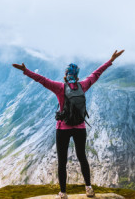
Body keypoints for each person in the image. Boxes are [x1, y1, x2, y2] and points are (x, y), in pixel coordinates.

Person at [12, 50, 124, 199]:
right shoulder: (83, 85)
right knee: (82, 157)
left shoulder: (59, 87)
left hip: (63, 128)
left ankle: (63, 193)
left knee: (62, 161)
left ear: (66, 76)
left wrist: (25, 71)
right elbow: (97, 73)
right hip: (80, 127)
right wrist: (111, 60)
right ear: (77, 76)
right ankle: (89, 188)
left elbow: (41, 79)